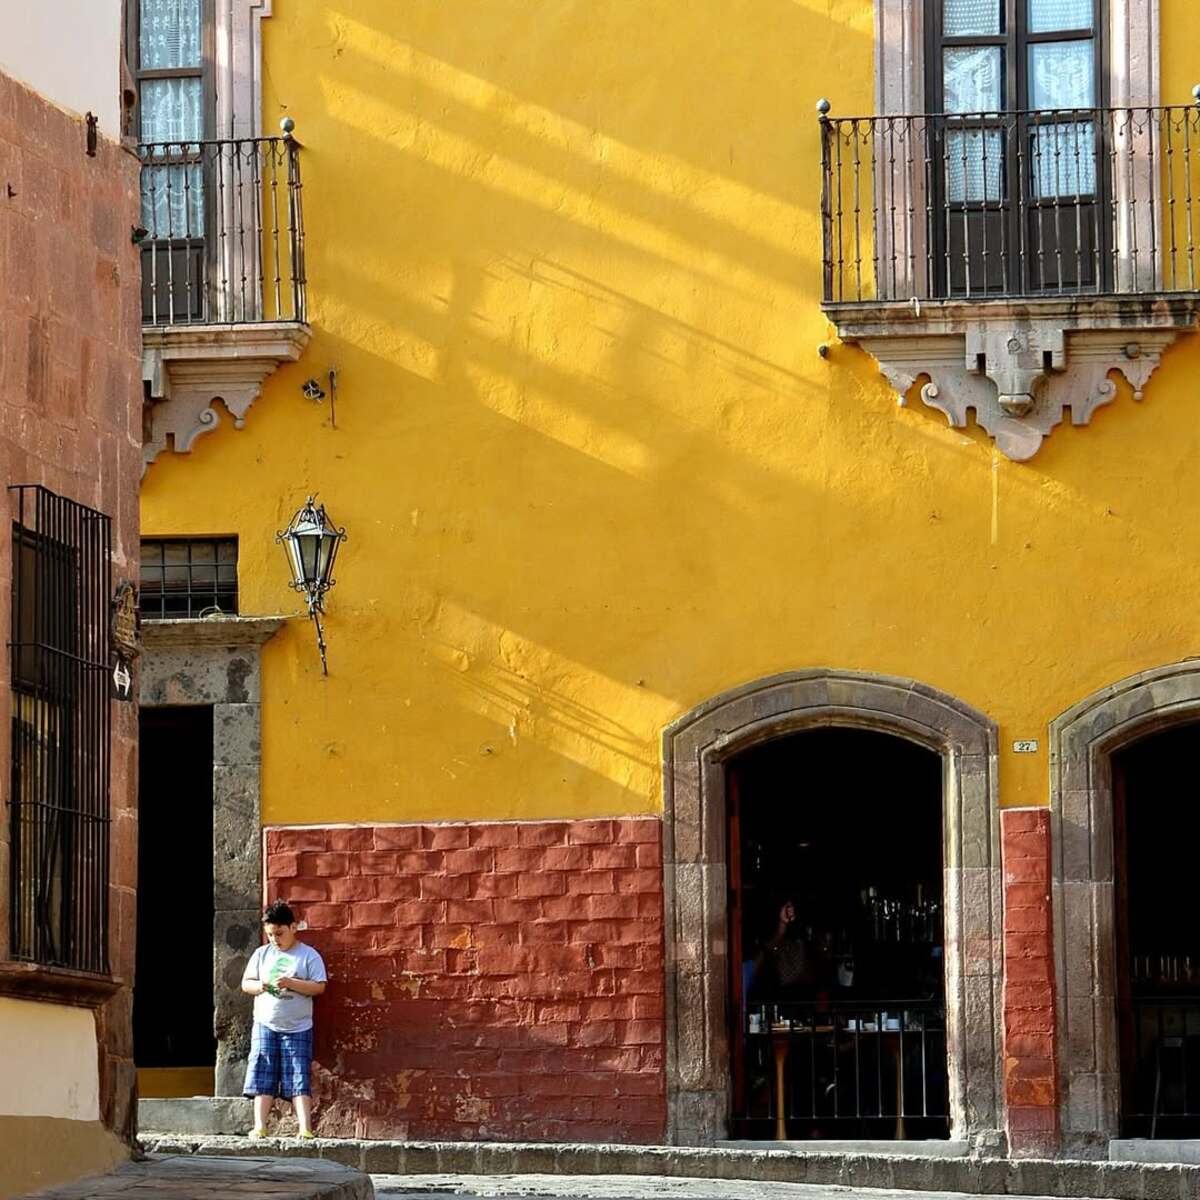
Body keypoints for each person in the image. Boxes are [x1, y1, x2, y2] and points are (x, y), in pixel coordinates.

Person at [241, 900, 328, 1139]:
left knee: (299, 1074)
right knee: (263, 1071)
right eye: (270, 935)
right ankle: (260, 1126)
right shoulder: (261, 954)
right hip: (265, 1023)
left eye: (279, 934)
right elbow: (246, 984)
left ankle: (305, 1128)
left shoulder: (308, 955)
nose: (274, 939)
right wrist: (262, 986)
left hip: (298, 1026)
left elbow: (319, 987)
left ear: (293, 927)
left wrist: (291, 983)